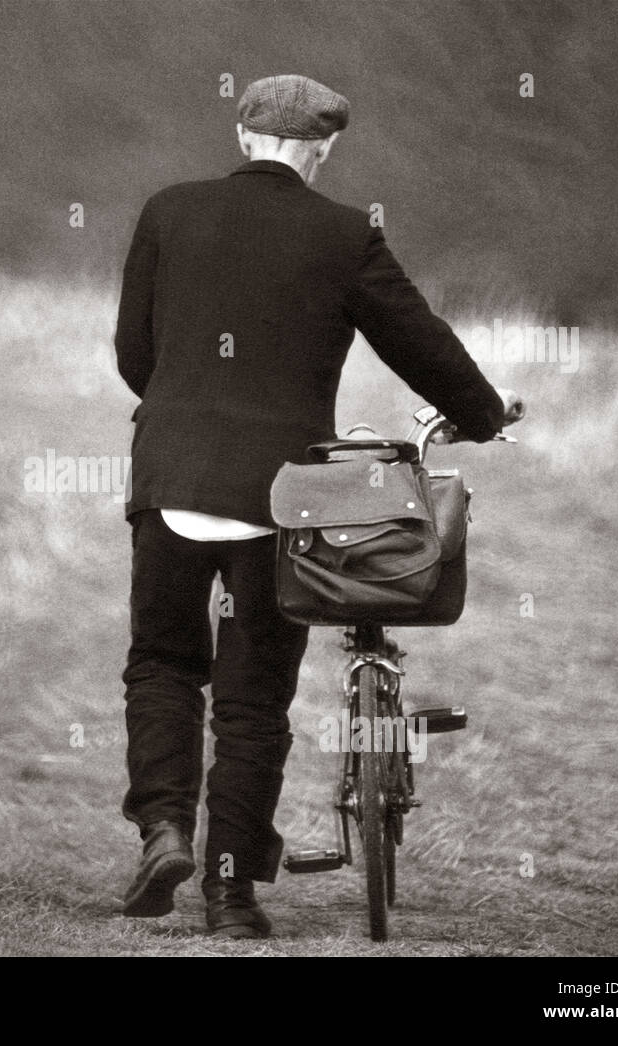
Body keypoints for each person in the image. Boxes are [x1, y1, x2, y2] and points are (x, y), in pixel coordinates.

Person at [114, 73, 522, 938]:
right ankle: (230, 892)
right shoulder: (345, 235)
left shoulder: (168, 211)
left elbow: (133, 352)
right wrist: (483, 414)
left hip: (172, 482)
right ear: (325, 148)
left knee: (162, 661)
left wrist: (187, 413)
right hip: (282, 499)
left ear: (240, 135)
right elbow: (419, 339)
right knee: (253, 698)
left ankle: (160, 829)